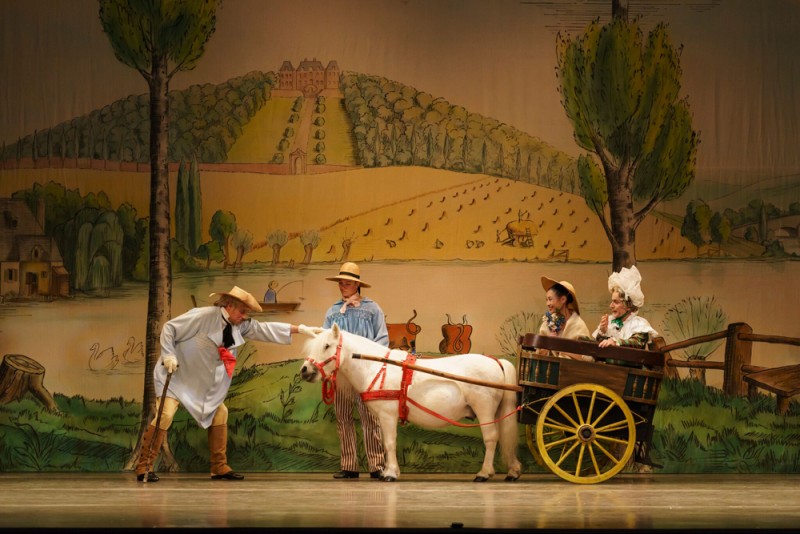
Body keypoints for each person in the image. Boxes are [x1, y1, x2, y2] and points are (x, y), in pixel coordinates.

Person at [133, 285, 317, 482]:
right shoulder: (202, 316)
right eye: (242, 311)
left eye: (247, 312)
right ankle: (143, 466)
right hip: (176, 376)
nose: (245, 316)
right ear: (229, 306)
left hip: (200, 383)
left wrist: (301, 329)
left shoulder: (239, 325)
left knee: (221, 412)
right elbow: (169, 328)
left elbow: (264, 329)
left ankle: (219, 467)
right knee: (165, 415)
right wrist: (168, 355)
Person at [322, 262, 387, 480]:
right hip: (341, 375)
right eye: (341, 283)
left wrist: (372, 362)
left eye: (347, 283)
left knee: (370, 417)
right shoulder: (333, 312)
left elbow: (382, 339)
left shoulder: (372, 309)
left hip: (365, 374)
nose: (343, 286)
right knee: (343, 417)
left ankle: (377, 464)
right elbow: (325, 340)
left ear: (357, 285)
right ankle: (349, 465)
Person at [591, 265, 658, 350]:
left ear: (628, 306)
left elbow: (636, 343)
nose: (611, 306)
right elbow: (599, 348)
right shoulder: (611, 322)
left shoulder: (638, 324)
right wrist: (603, 332)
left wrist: (615, 342)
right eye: (612, 301)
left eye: (616, 302)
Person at [537, 276, 592, 361]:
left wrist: (560, 346)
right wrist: (549, 343)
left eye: (550, 299)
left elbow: (587, 358)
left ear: (563, 299)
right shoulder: (547, 322)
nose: (547, 303)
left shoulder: (578, 325)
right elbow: (539, 353)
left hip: (571, 370)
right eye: (546, 300)